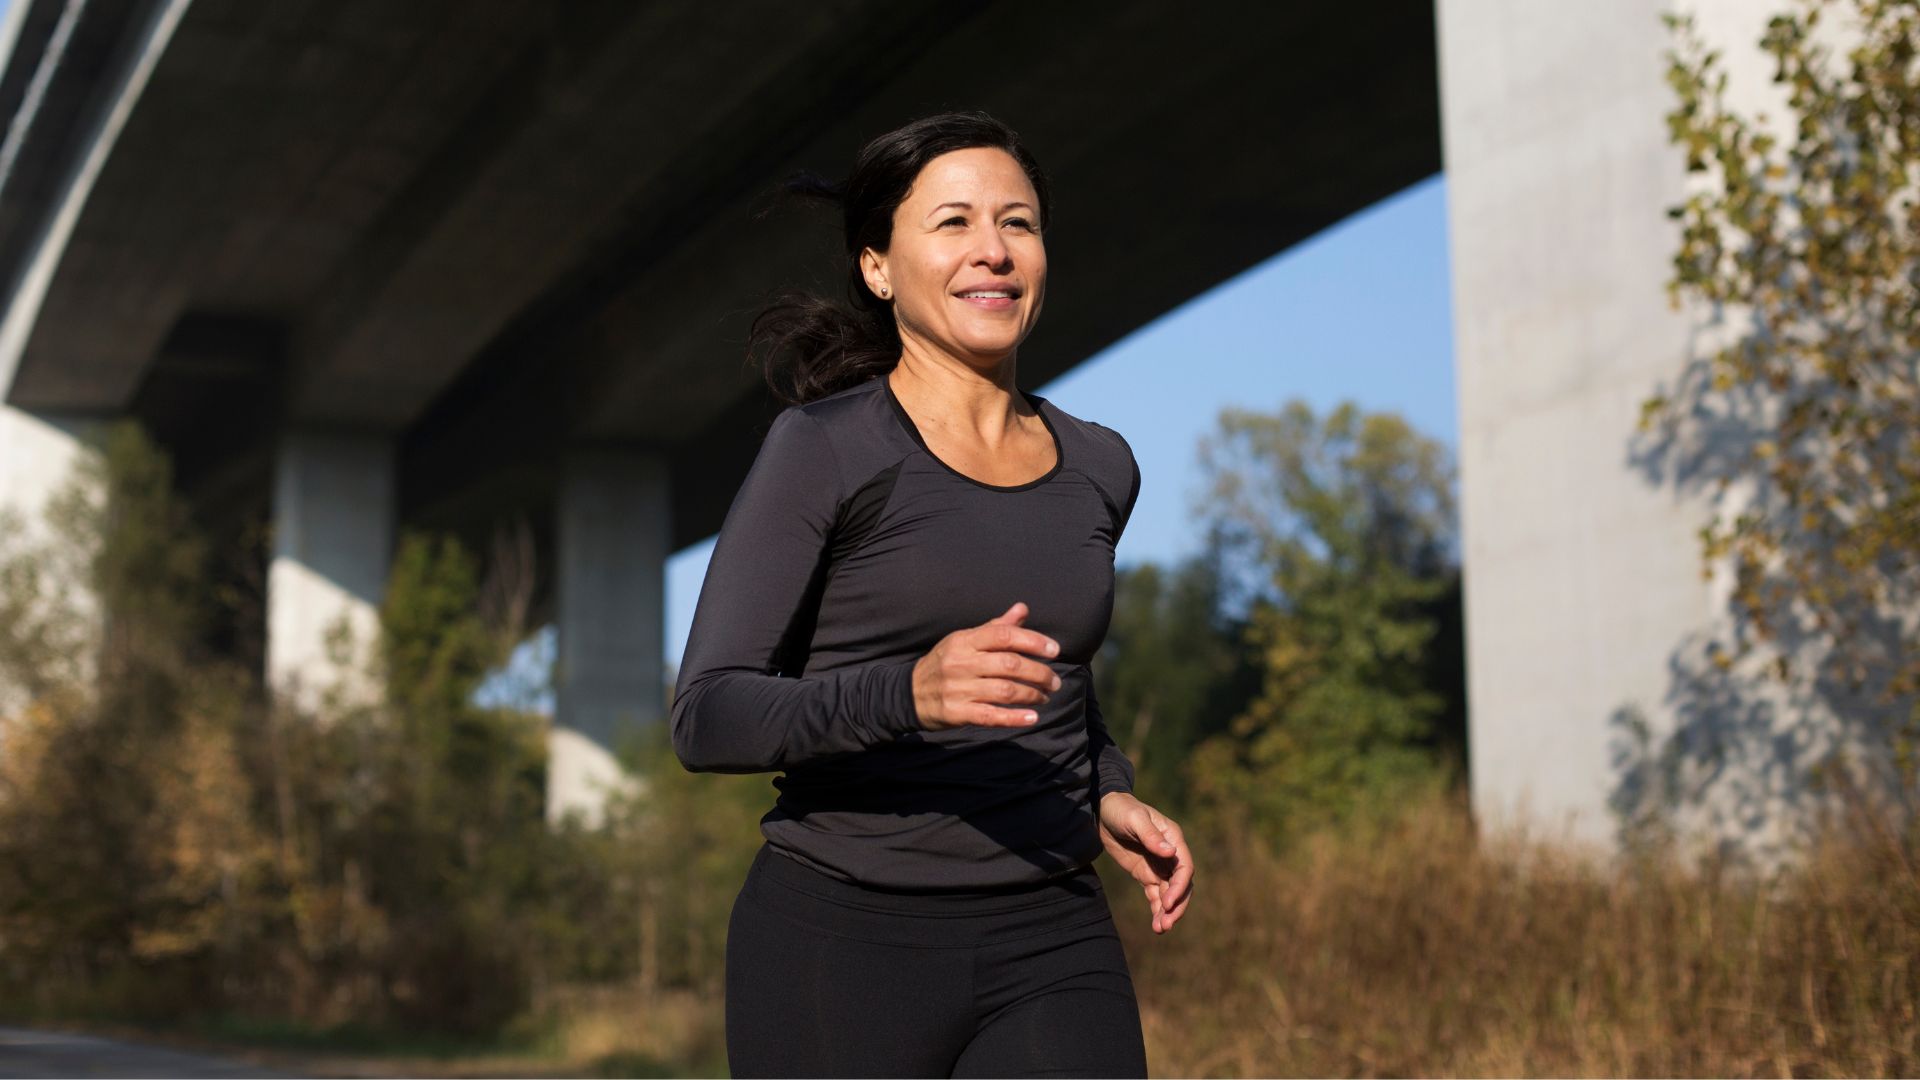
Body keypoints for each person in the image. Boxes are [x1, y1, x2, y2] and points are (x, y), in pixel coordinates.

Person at [670, 109, 1195, 1079]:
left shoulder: (1100, 464)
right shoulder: (825, 448)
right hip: (841, 938)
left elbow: (1057, 682)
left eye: (1018, 224)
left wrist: (1108, 791)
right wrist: (907, 692)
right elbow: (707, 715)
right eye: (952, 223)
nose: (991, 252)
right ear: (878, 267)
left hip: (1052, 931)